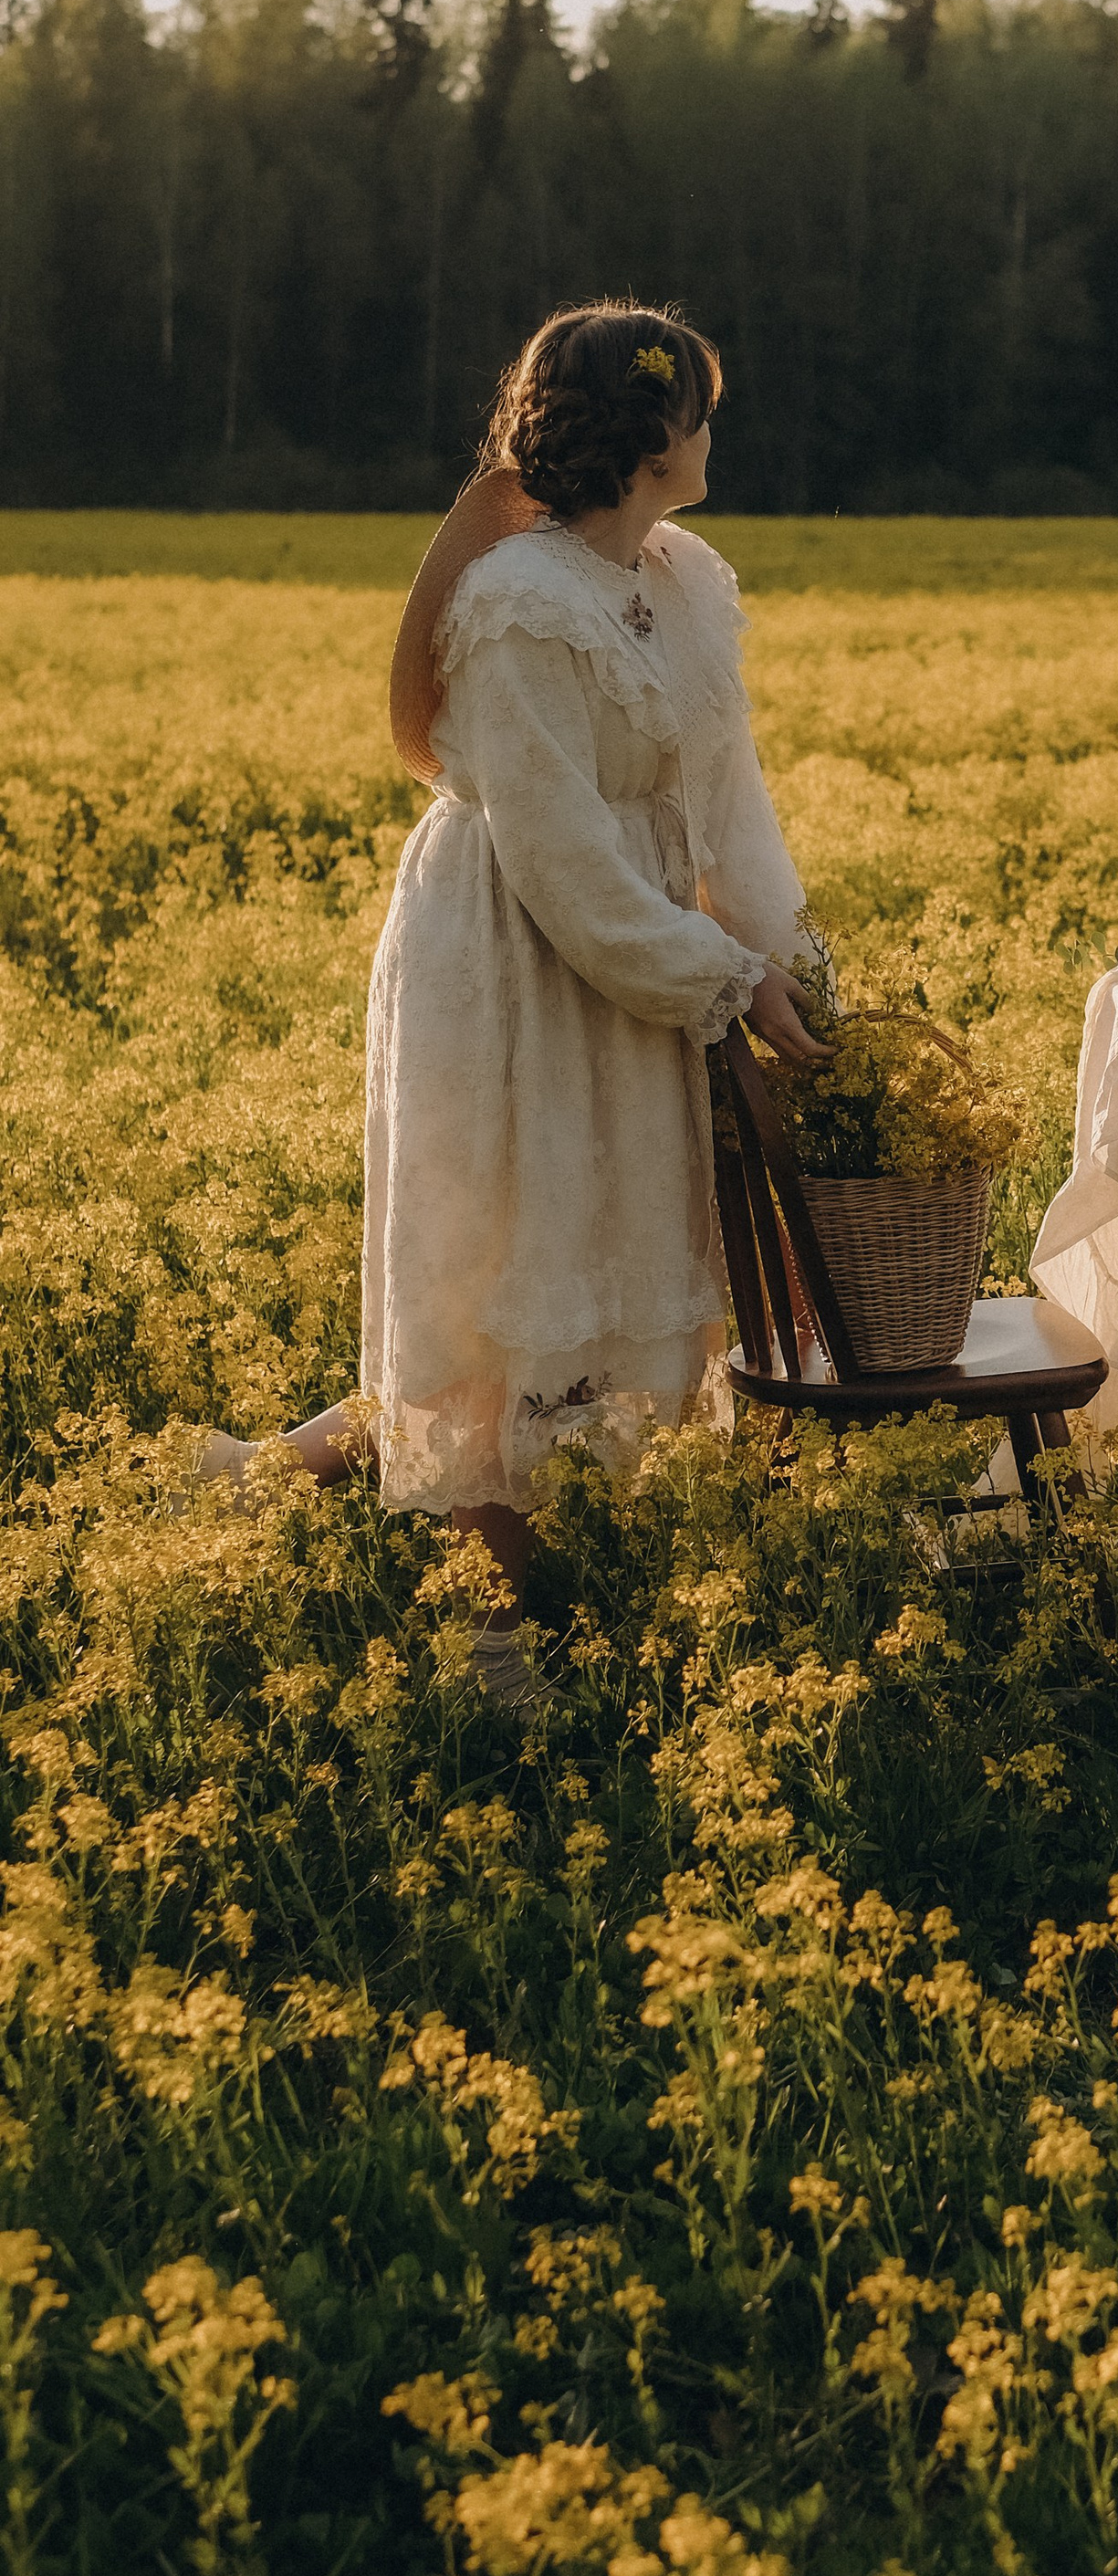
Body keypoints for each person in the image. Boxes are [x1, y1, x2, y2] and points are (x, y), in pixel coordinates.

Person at [199, 301, 827, 1700]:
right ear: (648, 433)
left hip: (640, 949)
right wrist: (721, 977)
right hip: (523, 954)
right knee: (506, 1271)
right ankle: (500, 1642)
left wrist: (798, 966)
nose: (714, 430)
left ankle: (276, 1476)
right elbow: (559, 860)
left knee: (598, 1259)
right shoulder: (515, 606)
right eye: (700, 409)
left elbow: (730, 801)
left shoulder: (689, 579)